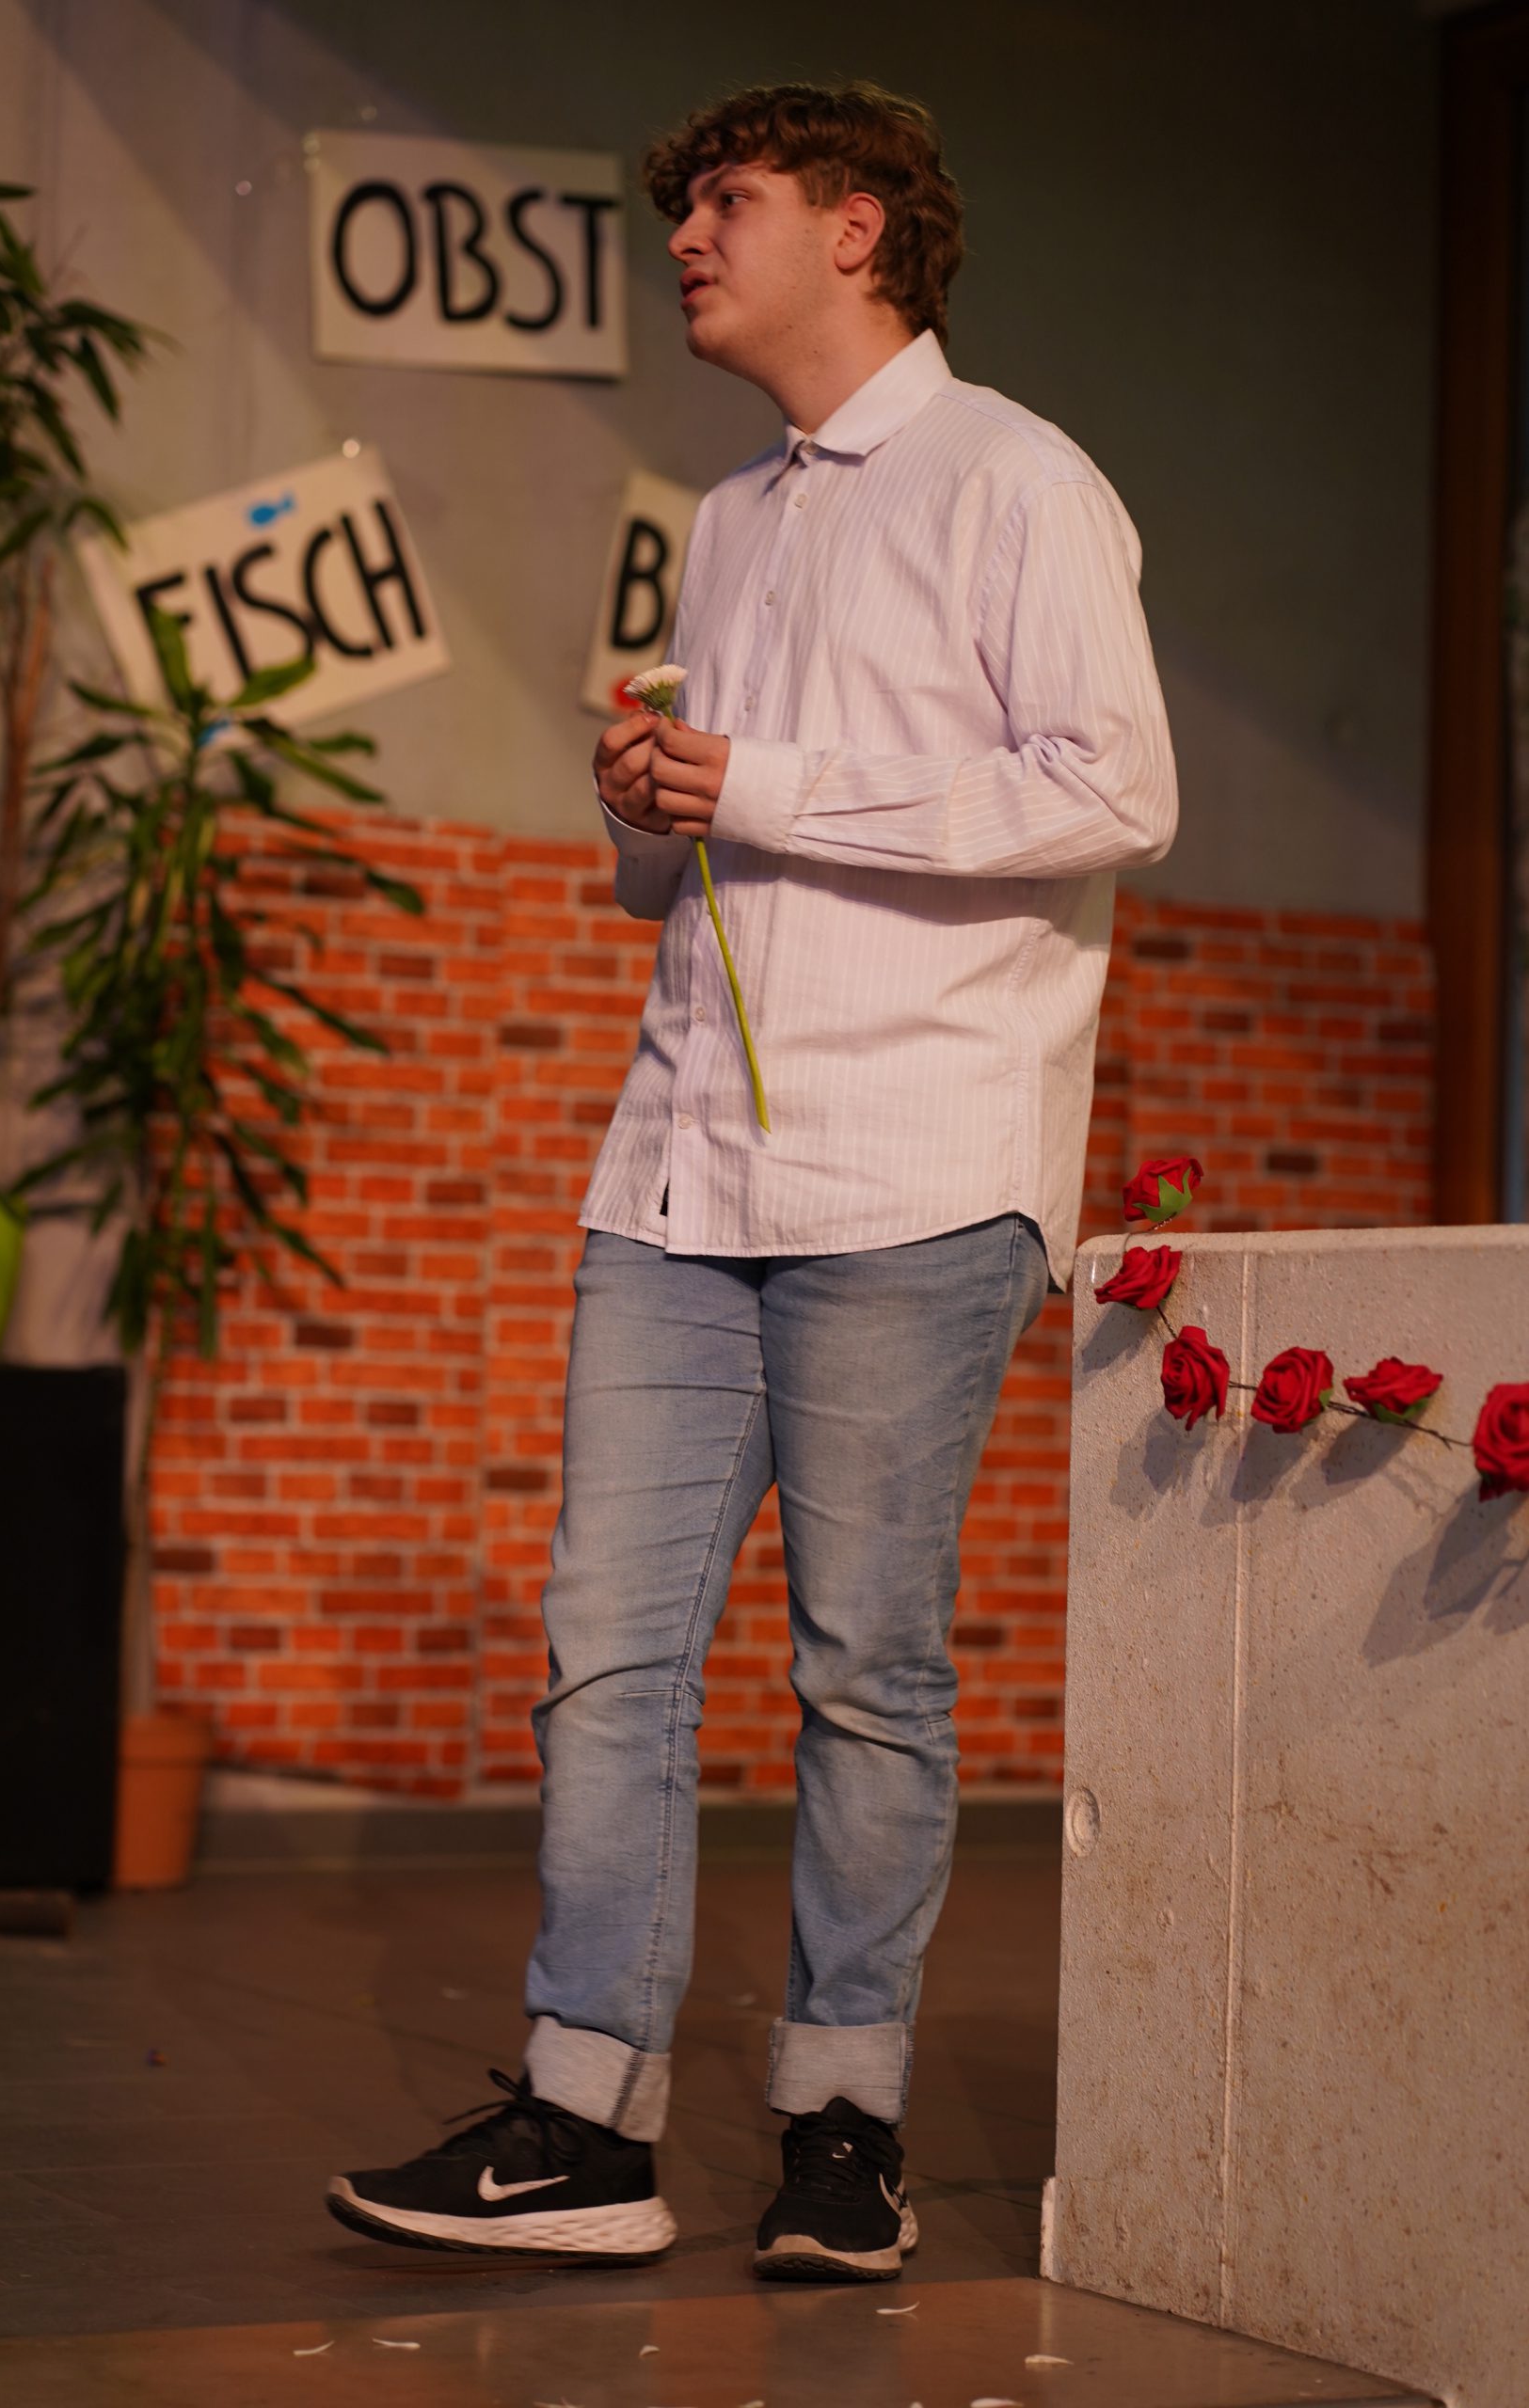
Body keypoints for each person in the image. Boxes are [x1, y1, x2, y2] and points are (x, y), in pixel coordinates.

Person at [328, 77, 1176, 2285]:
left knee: (864, 1667)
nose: (686, 238)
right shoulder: (724, 519)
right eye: (683, 208)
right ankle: (582, 2116)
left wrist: (765, 777)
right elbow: (693, 862)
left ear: (858, 227)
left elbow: (1114, 786)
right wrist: (648, 800)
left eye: (725, 199)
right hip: (679, 1169)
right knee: (604, 1652)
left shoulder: (1014, 477)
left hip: (914, 1162)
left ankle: (839, 2125)